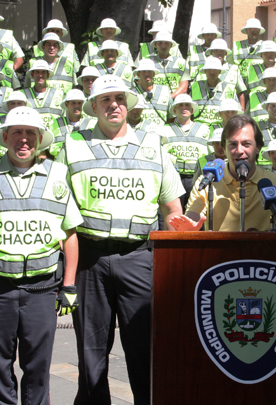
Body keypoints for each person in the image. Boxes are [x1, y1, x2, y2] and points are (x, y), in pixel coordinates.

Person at [56, 75, 184, 405]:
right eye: (106, 99)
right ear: (94, 106)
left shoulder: (153, 146)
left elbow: (172, 210)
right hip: (89, 259)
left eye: (120, 99)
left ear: (128, 105)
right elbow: (55, 209)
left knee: (144, 350)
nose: (114, 104)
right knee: (91, 352)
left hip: (139, 258)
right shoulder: (72, 145)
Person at [0, 106, 82, 405]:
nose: (24, 140)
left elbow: (70, 236)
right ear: (5, 137)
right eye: (17, 133)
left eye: (30, 133)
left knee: (38, 370)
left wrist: (69, 286)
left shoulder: (58, 175)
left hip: (42, 289)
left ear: (40, 139)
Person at [170, 115, 276, 232]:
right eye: (232, 144)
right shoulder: (207, 182)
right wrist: (189, 228)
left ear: (258, 148)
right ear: (224, 148)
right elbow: (192, 218)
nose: (239, 150)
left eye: (246, 144)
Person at [162, 94, 211, 208]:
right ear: (174, 110)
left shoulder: (204, 129)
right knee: (175, 212)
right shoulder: (165, 129)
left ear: (192, 109)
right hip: (174, 178)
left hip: (196, 178)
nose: (184, 108)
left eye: (187, 105)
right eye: (180, 105)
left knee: (196, 211)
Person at [191, 57, 239, 126]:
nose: (212, 72)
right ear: (205, 71)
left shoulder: (229, 88)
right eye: (209, 69)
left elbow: (236, 112)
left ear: (220, 71)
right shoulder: (195, 86)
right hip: (199, 129)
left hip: (221, 129)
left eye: (215, 70)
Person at [22, 60, 65, 128]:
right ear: (32, 75)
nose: (40, 75)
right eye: (37, 72)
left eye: (43, 72)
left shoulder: (59, 94)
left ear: (47, 75)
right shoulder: (23, 95)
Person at [149, 31, 190, 98]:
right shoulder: (149, 62)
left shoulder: (181, 62)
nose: (163, 46)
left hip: (175, 101)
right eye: (160, 43)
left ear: (171, 45)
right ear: (155, 44)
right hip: (154, 100)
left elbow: (184, 87)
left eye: (166, 43)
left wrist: (169, 98)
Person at [132, 58, 172, 125]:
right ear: (138, 75)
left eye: (149, 71)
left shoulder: (165, 90)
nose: (147, 74)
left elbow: (171, 117)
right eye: (144, 71)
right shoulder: (132, 93)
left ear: (153, 74)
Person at [233, 18, 265, 84]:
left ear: (259, 30)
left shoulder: (265, 46)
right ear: (246, 30)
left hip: (258, 84)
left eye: (255, 29)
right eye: (250, 29)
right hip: (240, 84)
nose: (253, 31)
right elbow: (231, 66)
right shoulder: (236, 46)